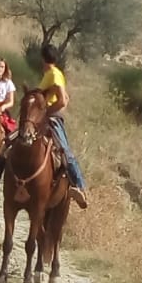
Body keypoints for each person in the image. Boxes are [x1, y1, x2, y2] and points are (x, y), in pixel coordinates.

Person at [38, 43, 88, 209]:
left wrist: (47, 112)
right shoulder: (50, 74)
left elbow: (62, 100)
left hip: (50, 119)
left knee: (64, 151)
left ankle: (78, 187)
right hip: (41, 118)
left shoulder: (54, 74)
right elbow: (66, 98)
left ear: (42, 58)